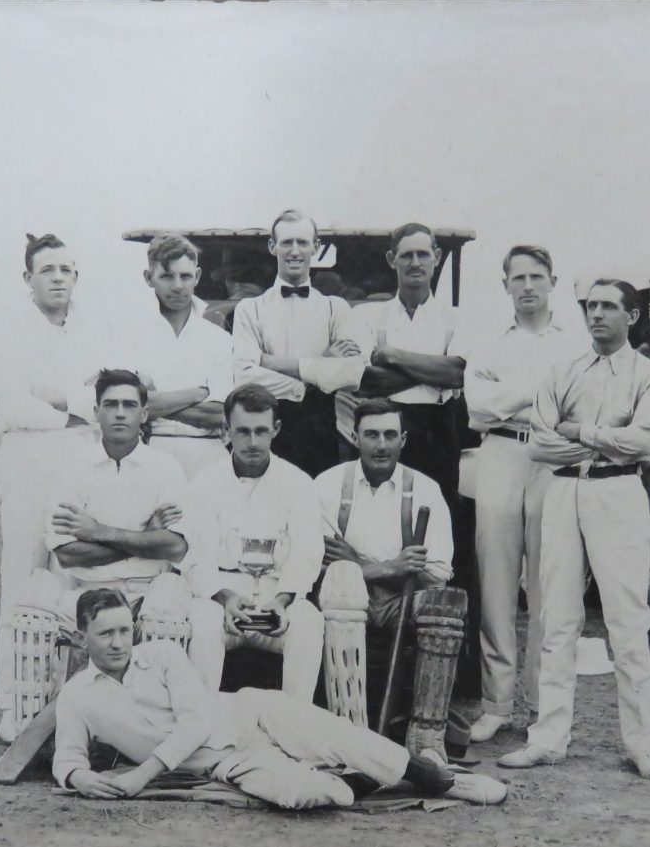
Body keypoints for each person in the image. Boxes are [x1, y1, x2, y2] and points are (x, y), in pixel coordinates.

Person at [53, 588, 507, 807]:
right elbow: (66, 757)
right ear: (81, 636)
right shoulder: (76, 697)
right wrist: (79, 778)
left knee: (341, 736)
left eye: (123, 630)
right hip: (224, 762)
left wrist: (141, 777)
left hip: (249, 712)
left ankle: (439, 780)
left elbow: (194, 723)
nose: (118, 643)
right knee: (301, 795)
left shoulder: (163, 653)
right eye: (104, 633)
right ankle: (363, 781)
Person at [498, 279, 650, 780]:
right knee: (556, 618)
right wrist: (603, 443)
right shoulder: (565, 369)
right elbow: (539, 443)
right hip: (564, 491)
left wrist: (585, 432)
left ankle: (641, 744)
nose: (597, 314)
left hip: (618, 495)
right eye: (591, 306)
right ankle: (549, 739)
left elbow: (647, 443)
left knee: (627, 620)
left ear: (631, 316)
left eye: (609, 306)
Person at [9, 369, 221, 691]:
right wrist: (145, 536)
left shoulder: (165, 468)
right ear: (95, 412)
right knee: (31, 616)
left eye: (129, 405)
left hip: (149, 591)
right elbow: (67, 554)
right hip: (86, 592)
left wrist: (98, 531)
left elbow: (176, 547)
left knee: (170, 615)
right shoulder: (71, 467)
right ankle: (35, 727)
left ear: (144, 413)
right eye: (110, 405)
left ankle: (161, 723)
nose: (120, 413)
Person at [459, 245, 585, 743]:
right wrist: (538, 392)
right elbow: (477, 410)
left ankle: (541, 704)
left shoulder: (575, 342)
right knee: (496, 581)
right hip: (501, 456)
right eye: (519, 277)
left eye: (537, 276)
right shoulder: (490, 340)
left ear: (553, 280)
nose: (528, 285)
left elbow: (577, 405)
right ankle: (497, 703)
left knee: (550, 584)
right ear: (505, 284)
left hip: (554, 459)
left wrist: (513, 395)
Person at [0, 233, 108, 743]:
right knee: (24, 580)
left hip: (80, 464)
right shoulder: (9, 331)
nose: (58, 278)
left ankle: (77, 712)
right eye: (47, 270)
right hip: (27, 465)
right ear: (28, 279)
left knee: (76, 583)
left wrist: (59, 399)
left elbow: (105, 395)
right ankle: (15, 708)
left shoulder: (93, 331)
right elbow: (12, 405)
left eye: (66, 269)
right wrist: (76, 408)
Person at [316, 399, 464, 760]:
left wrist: (359, 562)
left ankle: (427, 739)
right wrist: (390, 568)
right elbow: (316, 563)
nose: (380, 445)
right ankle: (346, 730)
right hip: (347, 598)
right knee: (342, 590)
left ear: (404, 439)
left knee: (445, 607)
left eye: (389, 435)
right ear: (354, 437)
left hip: (403, 602)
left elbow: (441, 572)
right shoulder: (328, 485)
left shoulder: (426, 489)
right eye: (371, 434)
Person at [185, 384, 325, 700]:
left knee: (309, 622)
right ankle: (200, 727)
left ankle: (294, 727)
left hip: (277, 599)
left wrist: (282, 600)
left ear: (276, 429)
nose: (252, 442)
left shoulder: (299, 483)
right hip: (221, 599)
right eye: (243, 431)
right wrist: (223, 597)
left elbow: (307, 554)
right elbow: (195, 555)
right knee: (203, 622)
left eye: (261, 431)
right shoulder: (204, 483)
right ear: (226, 430)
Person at [232, 209, 367, 477]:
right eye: (286, 242)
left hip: (321, 430)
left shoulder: (335, 308)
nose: (294, 251)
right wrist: (319, 370)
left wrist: (269, 363)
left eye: (303, 242)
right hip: (265, 427)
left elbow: (352, 374)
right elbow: (243, 377)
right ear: (273, 247)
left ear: (316, 247)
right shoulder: (250, 309)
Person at [353, 223, 465, 506]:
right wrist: (434, 369)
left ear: (437, 257)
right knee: (383, 506)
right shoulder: (368, 315)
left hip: (439, 429)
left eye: (423, 254)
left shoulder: (456, 318)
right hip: (387, 424)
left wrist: (391, 356)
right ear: (392, 260)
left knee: (440, 509)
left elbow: (456, 374)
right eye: (406, 255)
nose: (415, 263)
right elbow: (368, 382)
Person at [119, 233, 230, 478]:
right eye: (167, 276)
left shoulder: (220, 340)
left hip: (209, 455)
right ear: (149, 278)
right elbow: (126, 407)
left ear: (197, 276)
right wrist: (197, 393)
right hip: (148, 452)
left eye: (185, 276)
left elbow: (219, 414)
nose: (178, 286)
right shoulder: (129, 336)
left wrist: (151, 403)